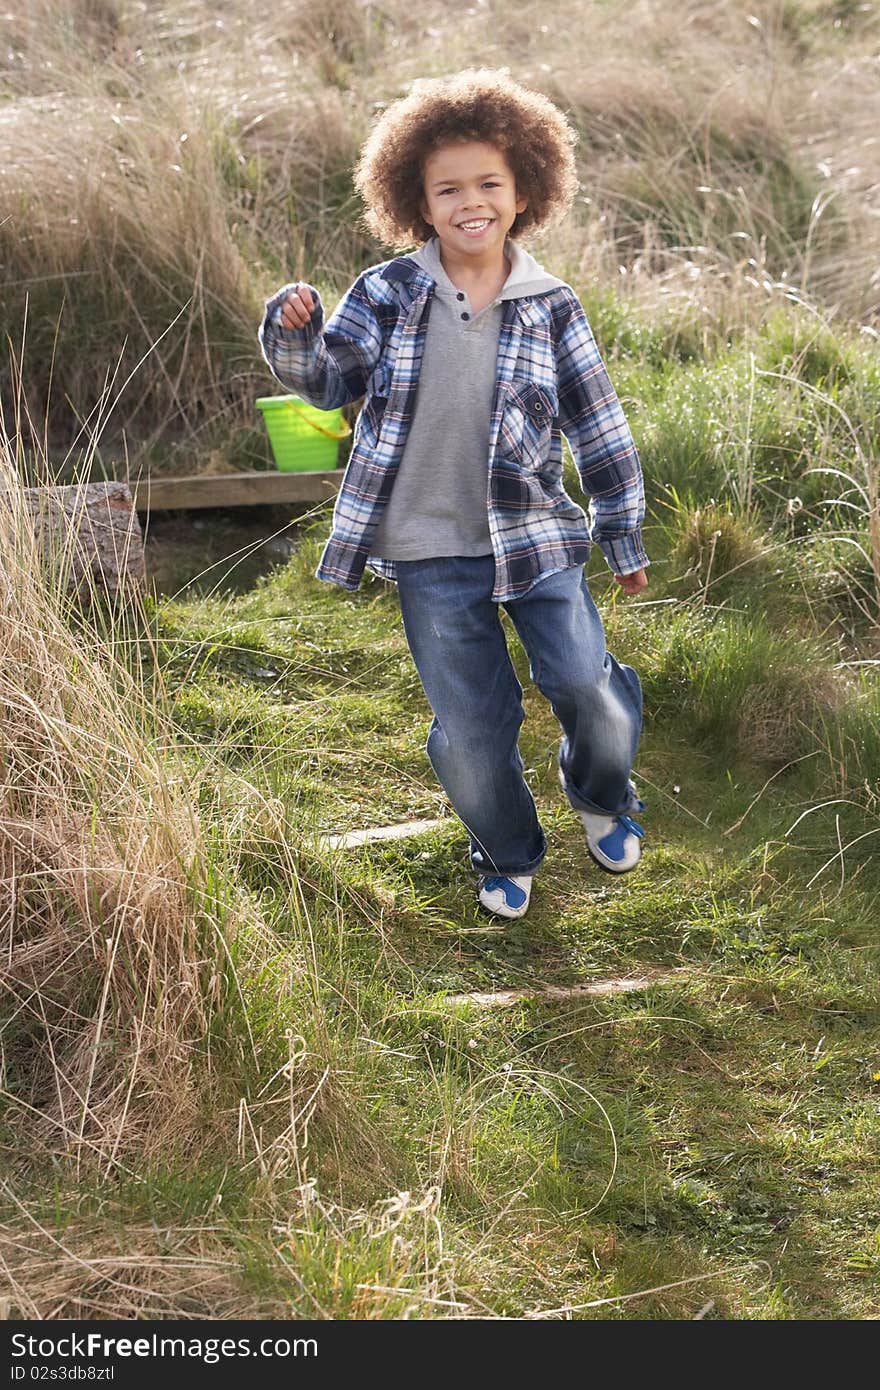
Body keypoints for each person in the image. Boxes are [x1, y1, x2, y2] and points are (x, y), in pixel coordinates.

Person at [258, 68, 649, 921]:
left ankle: (601, 795)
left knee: (590, 689)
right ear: (417, 201)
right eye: (448, 189)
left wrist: (621, 535)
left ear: (524, 192)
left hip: (537, 535)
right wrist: (290, 337)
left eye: (488, 185)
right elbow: (328, 382)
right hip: (427, 547)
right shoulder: (387, 293)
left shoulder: (552, 306)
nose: (470, 202)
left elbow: (600, 424)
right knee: (472, 731)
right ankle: (506, 848)